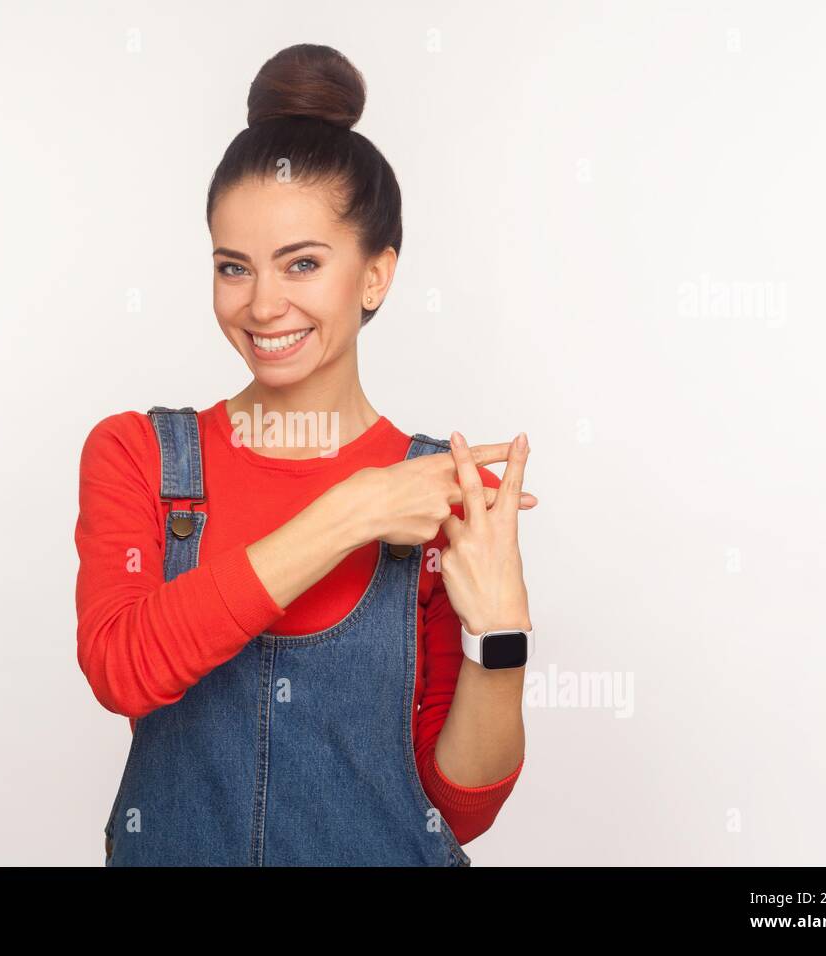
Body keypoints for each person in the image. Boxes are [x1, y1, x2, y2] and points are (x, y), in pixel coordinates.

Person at [75, 43, 535, 866]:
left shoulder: (443, 494)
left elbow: (457, 810)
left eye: (303, 264)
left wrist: (498, 634)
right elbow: (125, 668)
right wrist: (350, 511)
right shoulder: (139, 454)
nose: (261, 305)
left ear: (376, 276)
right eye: (233, 267)